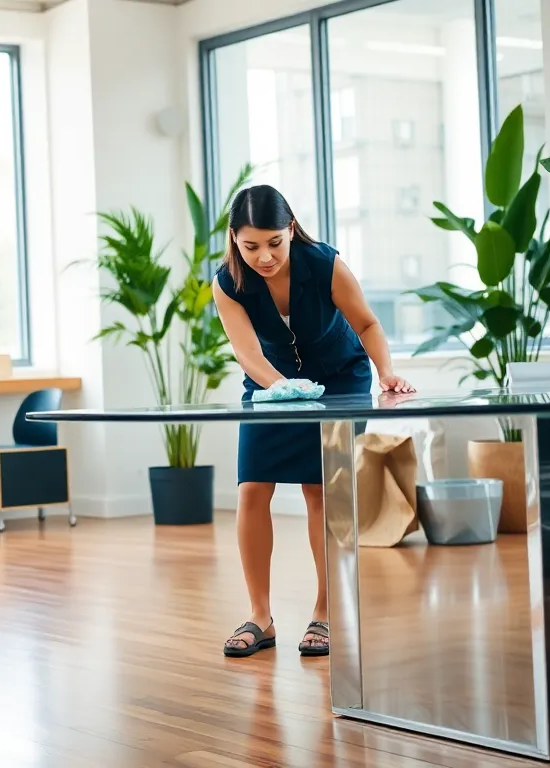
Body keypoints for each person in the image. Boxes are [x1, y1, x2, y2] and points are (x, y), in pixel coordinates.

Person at [212, 184, 414, 659]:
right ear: (235, 239)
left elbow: (367, 324)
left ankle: (326, 611)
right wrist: (283, 387)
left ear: (291, 229)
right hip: (271, 382)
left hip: (339, 376)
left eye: (274, 243)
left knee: (319, 490)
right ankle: (260, 617)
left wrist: (386, 372)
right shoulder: (227, 282)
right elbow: (247, 353)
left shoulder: (324, 263)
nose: (264, 257)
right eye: (251, 246)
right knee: (252, 488)